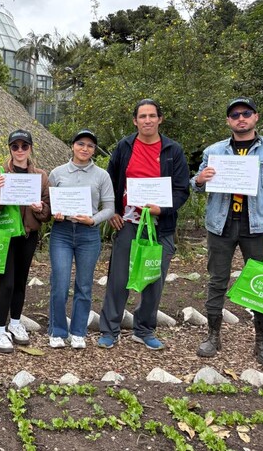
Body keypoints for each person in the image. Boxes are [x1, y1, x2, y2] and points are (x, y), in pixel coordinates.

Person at [191, 97, 263, 367]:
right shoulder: (215, 150)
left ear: (256, 117)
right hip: (221, 224)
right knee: (217, 280)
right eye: (235, 115)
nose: (241, 118)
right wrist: (200, 179)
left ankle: (262, 341)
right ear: (228, 121)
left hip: (257, 225)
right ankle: (213, 335)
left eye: (246, 113)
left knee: (260, 282)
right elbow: (197, 184)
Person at [98, 99, 190, 350]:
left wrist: (164, 208)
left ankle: (144, 329)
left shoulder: (173, 150)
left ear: (160, 119)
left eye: (152, 115)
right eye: (142, 116)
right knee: (119, 277)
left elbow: (182, 189)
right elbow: (110, 180)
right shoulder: (125, 147)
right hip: (129, 221)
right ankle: (109, 329)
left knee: (153, 277)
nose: (147, 120)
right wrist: (114, 210)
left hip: (161, 224)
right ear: (135, 121)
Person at [47, 129, 115, 350]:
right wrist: (53, 213)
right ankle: (57, 331)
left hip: (88, 234)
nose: (85, 149)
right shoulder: (57, 173)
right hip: (62, 231)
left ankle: (78, 332)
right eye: (80, 144)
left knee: (84, 285)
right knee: (60, 283)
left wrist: (93, 220)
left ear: (94, 150)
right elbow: (48, 204)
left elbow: (110, 208)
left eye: (90, 146)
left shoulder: (102, 175)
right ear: (72, 145)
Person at [0, 129, 50, 354]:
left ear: (30, 148)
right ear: (10, 149)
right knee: (7, 282)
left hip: (28, 235)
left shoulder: (41, 176)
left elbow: (46, 213)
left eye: (24, 146)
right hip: (7, 235)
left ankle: (15, 322)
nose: (20, 150)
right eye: (15, 146)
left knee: (22, 281)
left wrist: (40, 208)